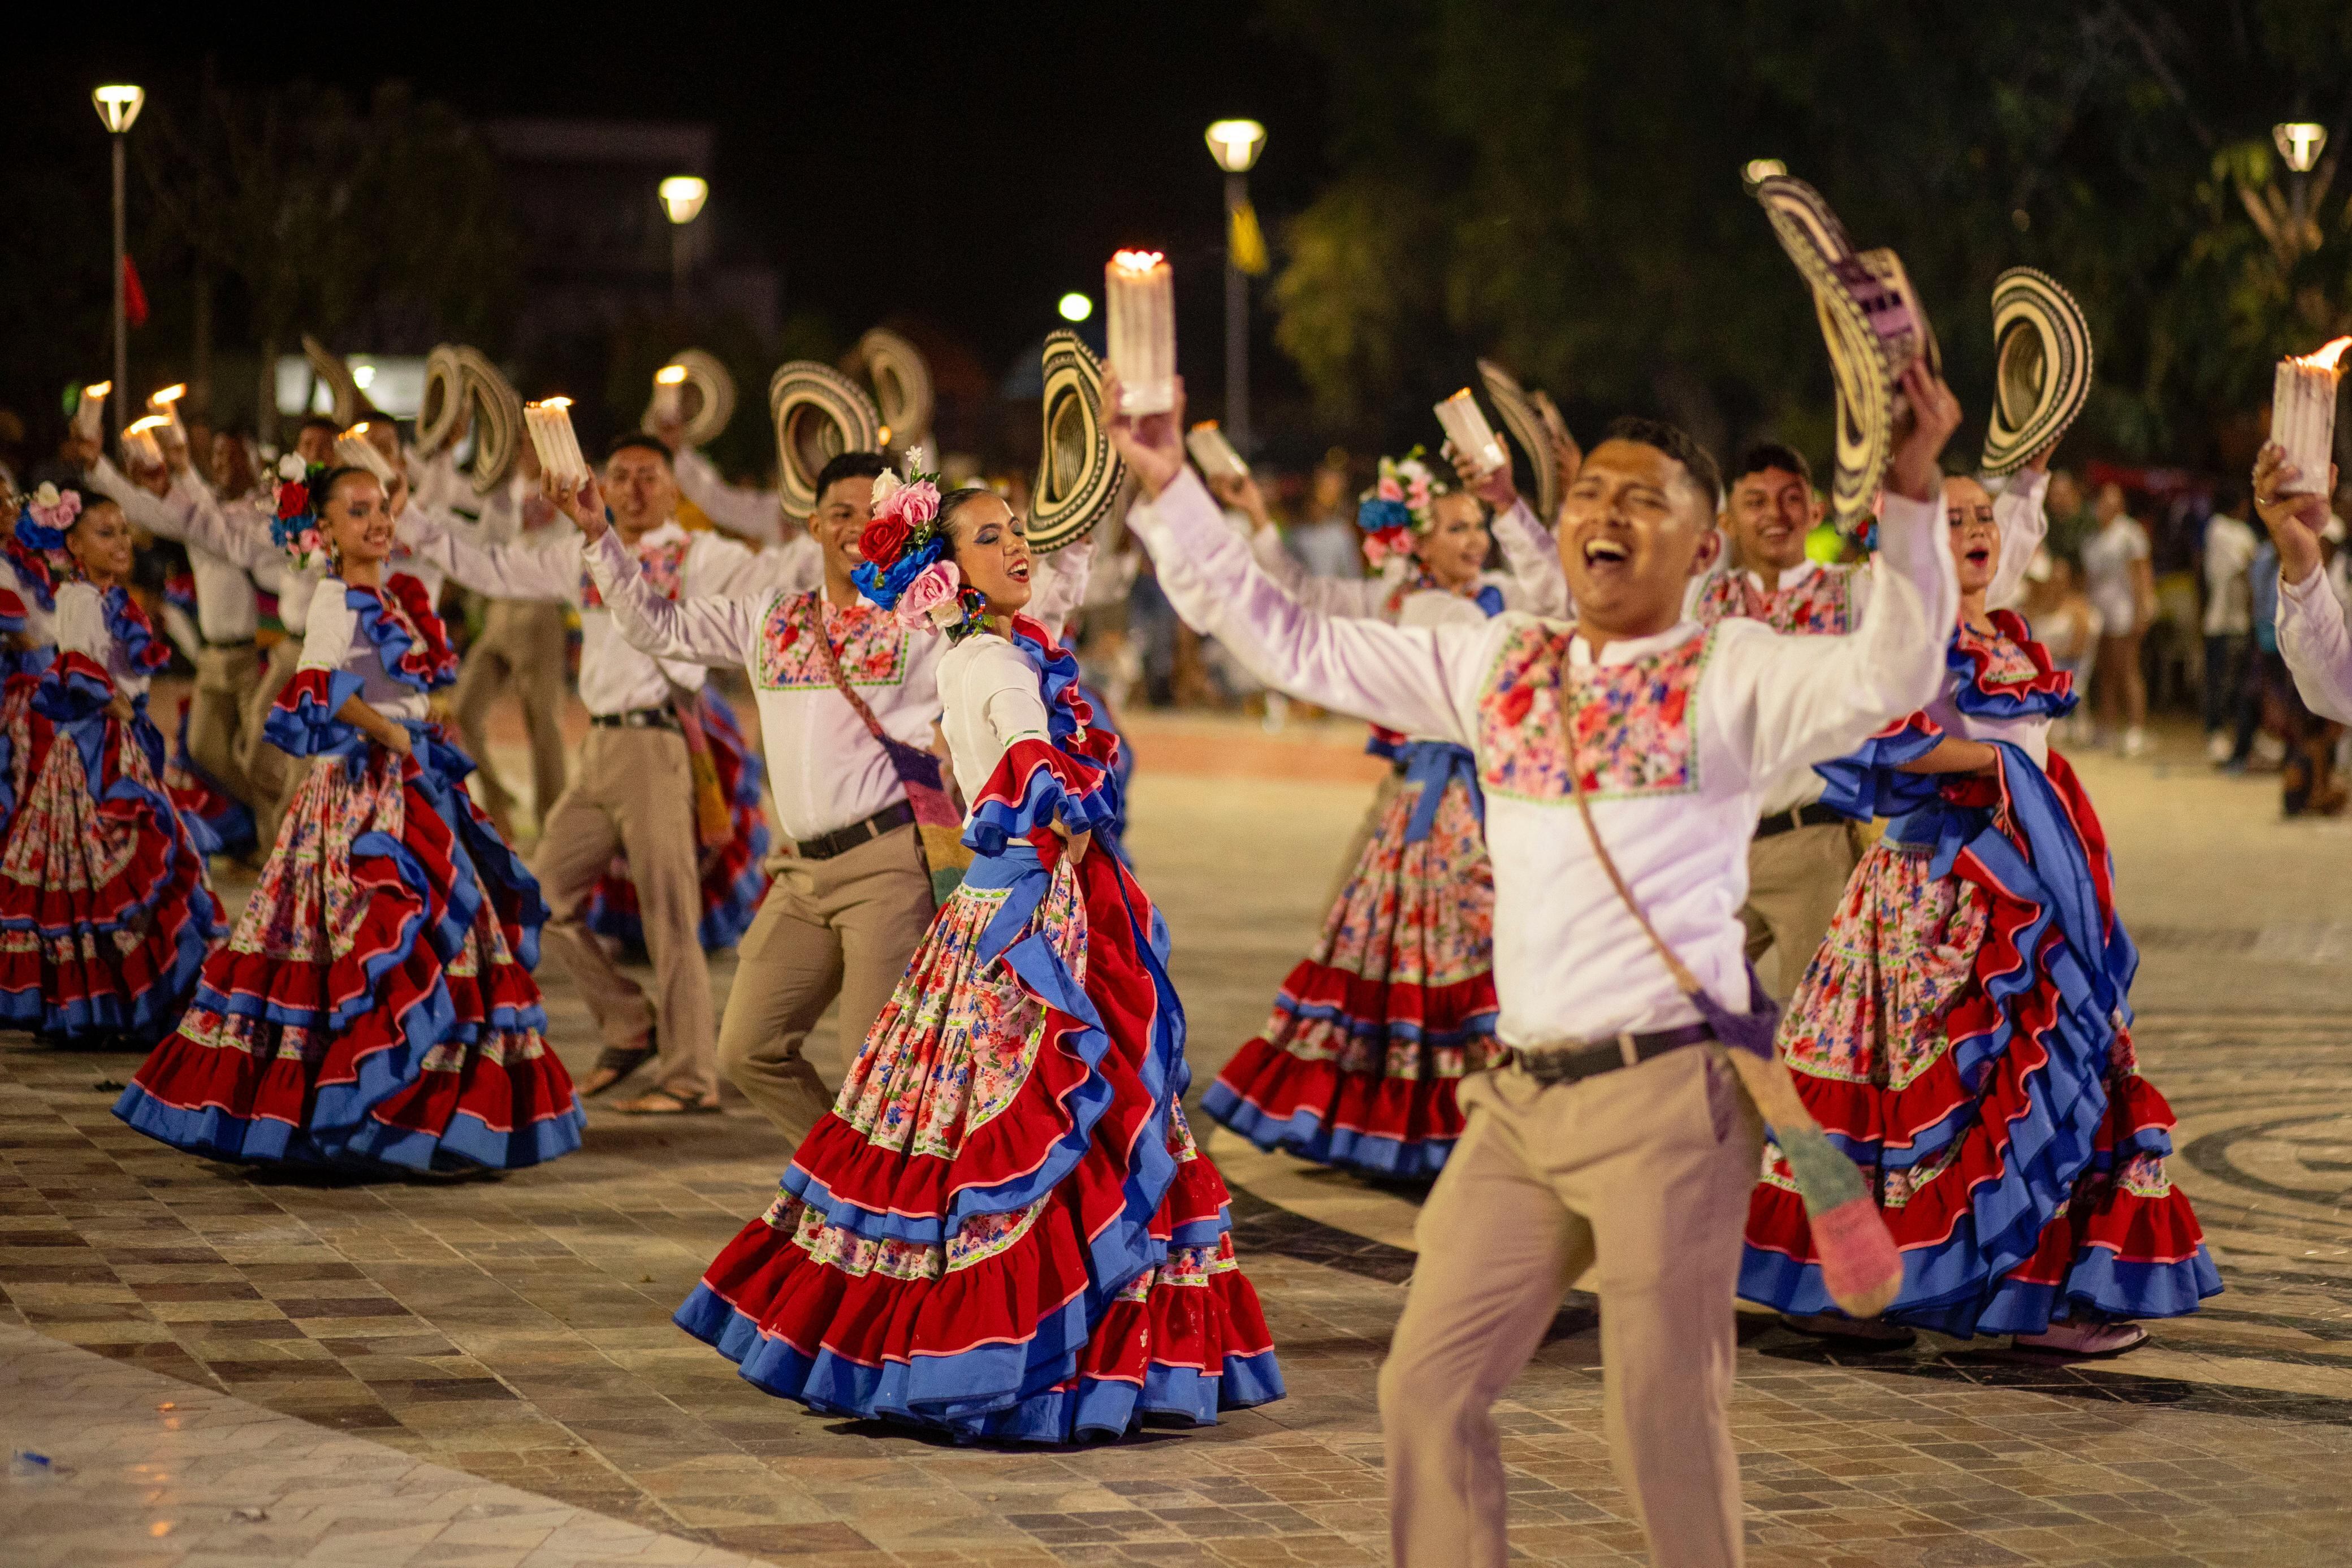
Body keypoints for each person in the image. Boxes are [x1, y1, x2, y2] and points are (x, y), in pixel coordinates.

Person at [1109, 359, 1961, 1568]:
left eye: (1644, 498)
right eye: (1593, 492)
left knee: (1662, 1419)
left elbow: (1893, 671)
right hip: (1517, 1106)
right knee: (1424, 1386)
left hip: (1668, 1100)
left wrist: (1915, 489)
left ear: (1703, 547)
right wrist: (1166, 490)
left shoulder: (1732, 672)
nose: (1606, 512)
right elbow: (1293, 638)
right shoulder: (1498, 661)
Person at [671, 458, 1283, 1440]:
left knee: (981, 1123)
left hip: (1004, 903)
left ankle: (970, 1340)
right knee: (1045, 1119)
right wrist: (1064, 809)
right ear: (948, 570)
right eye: (990, 536)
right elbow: (1028, 752)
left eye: (1017, 530)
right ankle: (1044, 1354)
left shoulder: (982, 649)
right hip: (1028, 912)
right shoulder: (989, 660)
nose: (1016, 546)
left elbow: (999, 746)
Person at [1742, 470, 2221, 1356]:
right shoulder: (1905, 634)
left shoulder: (2000, 631)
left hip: (2025, 881)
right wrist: (1993, 766)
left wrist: (2022, 789)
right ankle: (1860, 1284)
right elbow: (1876, 735)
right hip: (1935, 895)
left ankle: (2044, 1295)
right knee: (1941, 1091)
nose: (1975, 529)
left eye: (1982, 518)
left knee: (2050, 1074)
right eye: (1952, 518)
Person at [115, 464, 583, 1169]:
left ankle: (426, 1115)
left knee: (439, 936)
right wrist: (390, 729)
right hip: (362, 795)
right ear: (325, 530)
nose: (379, 522)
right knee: (377, 939)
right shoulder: (335, 597)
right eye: (358, 511)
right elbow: (320, 680)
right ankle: (367, 1114)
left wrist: (416, 723)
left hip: (411, 785)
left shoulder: (391, 595)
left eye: (382, 508)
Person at [398, 434, 816, 1115]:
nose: (634, 488)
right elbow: (494, 567)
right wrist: (410, 520)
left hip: (657, 744)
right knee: (540, 895)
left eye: (649, 475)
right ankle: (628, 1021)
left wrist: (840, 526)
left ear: (673, 487)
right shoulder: (587, 552)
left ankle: (689, 1073)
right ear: (603, 485)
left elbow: (786, 565)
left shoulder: (704, 556)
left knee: (669, 916)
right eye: (620, 475)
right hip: (598, 746)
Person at [1202, 445, 1569, 1179]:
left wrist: (1517, 506)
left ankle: (1489, 1112)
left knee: (1471, 947)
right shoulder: (1400, 604)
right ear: (1416, 544)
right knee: (1406, 943)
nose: (1473, 540)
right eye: (1456, 528)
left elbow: (1562, 599)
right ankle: (1417, 1119)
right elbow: (1301, 596)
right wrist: (1255, 516)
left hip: (1497, 794)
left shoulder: (1502, 596)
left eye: (1477, 526)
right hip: (1427, 796)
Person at [561, 451, 946, 1146]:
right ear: (814, 526)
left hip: (888, 869)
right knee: (747, 1050)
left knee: (874, 1070)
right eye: (840, 513)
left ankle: (884, 1196)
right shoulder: (772, 617)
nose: (856, 527)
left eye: (872, 514)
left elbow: (1005, 643)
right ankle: (846, 1176)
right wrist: (598, 536)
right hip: (800, 873)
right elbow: (656, 625)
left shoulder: (921, 625)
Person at [1690, 443, 2049, 1004]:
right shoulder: (1695, 604)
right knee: (1678, 1016)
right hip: (1708, 847)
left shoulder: (1855, 593)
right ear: (1726, 520)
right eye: (1755, 501)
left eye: (1791, 499)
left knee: (1814, 1028)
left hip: (1810, 843)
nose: (1775, 514)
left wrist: (2027, 480)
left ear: (1815, 511)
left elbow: (1955, 587)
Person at [0, 486, 221, 1042]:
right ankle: (110, 1000)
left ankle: (124, 998)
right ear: (74, 545)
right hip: (93, 748)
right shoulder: (77, 598)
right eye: (106, 533)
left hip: (120, 740)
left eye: (124, 531)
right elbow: (77, 667)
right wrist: (115, 704)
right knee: (110, 865)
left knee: (122, 865)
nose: (122, 542)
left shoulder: (110, 597)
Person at [77, 431, 282, 850]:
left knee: (262, 756)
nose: (224, 463)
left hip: (256, 655)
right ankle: (278, 819)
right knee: (203, 748)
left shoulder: (264, 514)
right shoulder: (200, 514)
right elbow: (145, 511)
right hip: (212, 656)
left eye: (235, 455)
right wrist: (99, 468)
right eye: (218, 455)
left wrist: (181, 476)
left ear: (256, 462)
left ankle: (273, 846)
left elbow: (213, 525)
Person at [2080, 480, 2155, 755]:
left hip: (2125, 610)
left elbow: (2142, 574)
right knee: (2105, 671)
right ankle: (2107, 726)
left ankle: (2136, 729)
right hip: (2099, 612)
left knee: (2128, 669)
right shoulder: (2093, 538)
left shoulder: (2130, 533)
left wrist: (2143, 610)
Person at [2202, 484, 2260, 765]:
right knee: (2222, 682)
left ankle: (2239, 739)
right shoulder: (2222, 529)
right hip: (2225, 620)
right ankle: (2217, 734)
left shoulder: (2235, 532)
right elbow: (2247, 568)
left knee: (2238, 684)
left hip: (2238, 620)